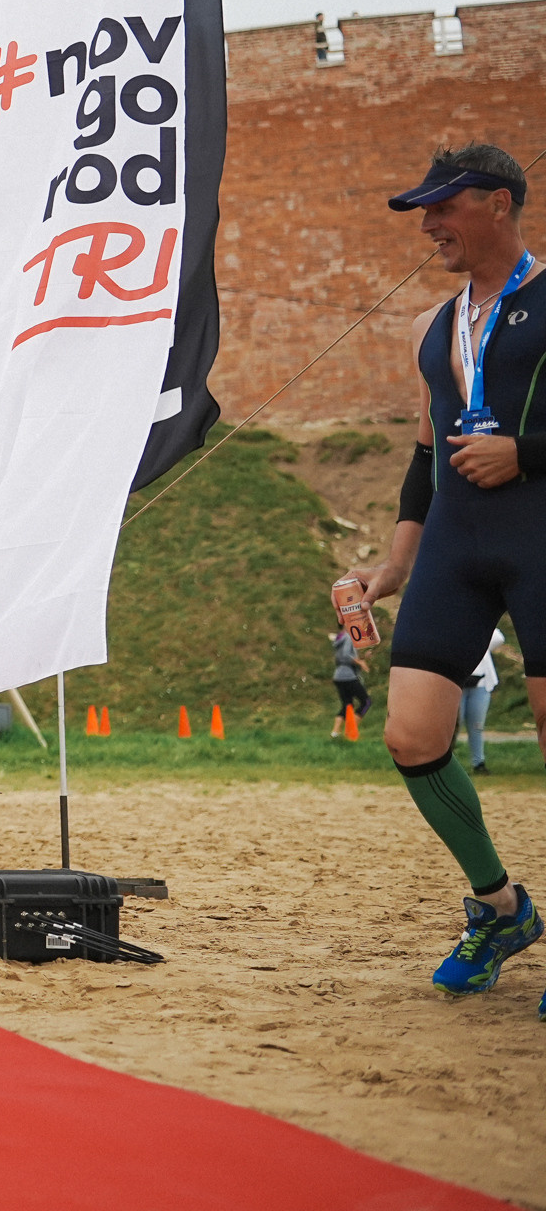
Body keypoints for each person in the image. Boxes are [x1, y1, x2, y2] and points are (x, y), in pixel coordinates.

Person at [349, 144, 546, 1008]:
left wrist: (527, 454)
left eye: (443, 208)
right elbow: (426, 458)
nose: (428, 226)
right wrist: (391, 566)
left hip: (541, 540)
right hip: (457, 552)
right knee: (412, 736)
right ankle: (502, 908)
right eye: (422, 212)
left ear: (499, 204)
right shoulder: (432, 326)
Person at [460, 628, 508, 774]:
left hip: (480, 683)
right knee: (453, 725)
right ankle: (445, 764)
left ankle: (478, 763)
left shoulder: (480, 629)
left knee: (476, 726)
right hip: (457, 683)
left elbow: (499, 637)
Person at [329, 626, 370, 739]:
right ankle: (350, 730)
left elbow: (343, 657)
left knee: (347, 705)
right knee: (366, 702)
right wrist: (361, 663)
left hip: (338, 676)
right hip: (348, 676)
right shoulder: (348, 637)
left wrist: (361, 659)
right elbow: (347, 656)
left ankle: (335, 733)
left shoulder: (340, 638)